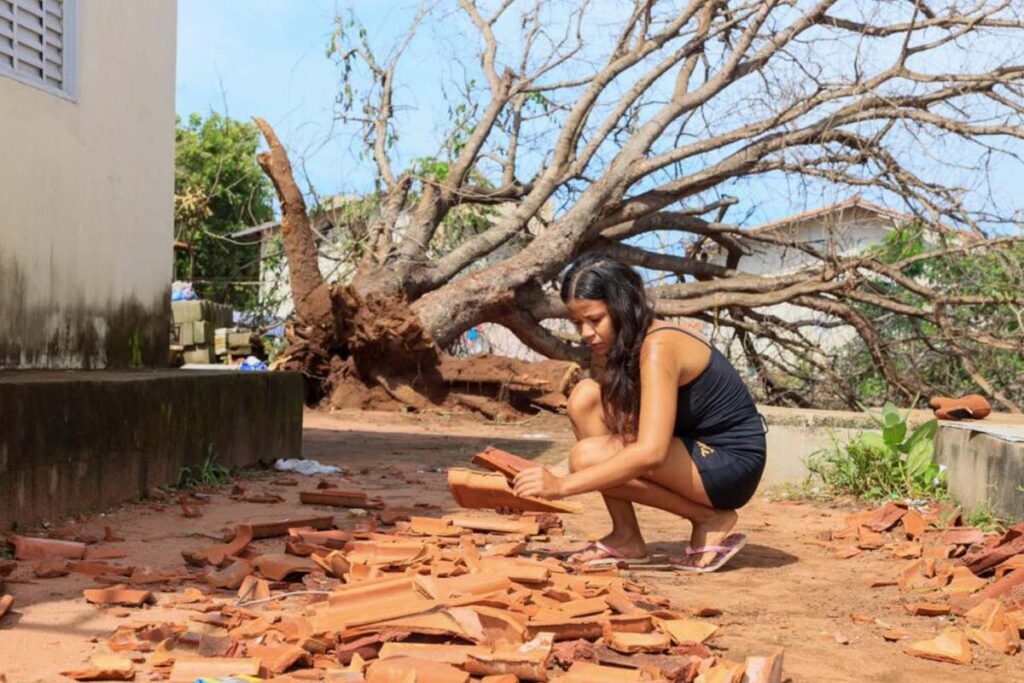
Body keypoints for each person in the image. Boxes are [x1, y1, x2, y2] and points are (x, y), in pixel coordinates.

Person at [512, 253, 767, 572]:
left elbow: (651, 453)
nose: (586, 333)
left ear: (622, 308)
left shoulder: (659, 346)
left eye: (595, 319)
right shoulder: (616, 347)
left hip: (731, 463)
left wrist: (560, 486)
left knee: (586, 457)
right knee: (585, 397)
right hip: (689, 450)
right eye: (578, 323)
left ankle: (709, 517)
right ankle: (626, 536)